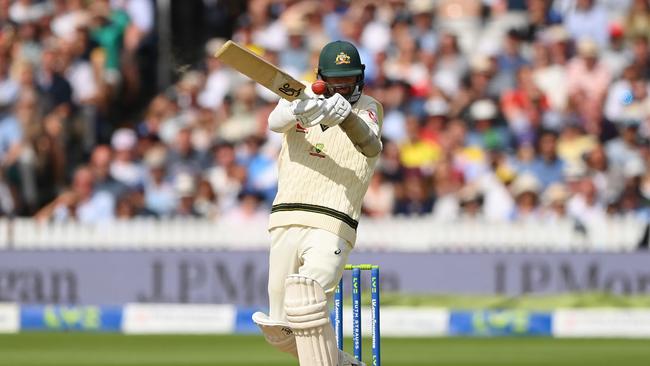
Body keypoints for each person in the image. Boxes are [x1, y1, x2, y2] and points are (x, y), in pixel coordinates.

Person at [252, 40, 383, 366]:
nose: (343, 88)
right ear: (321, 77)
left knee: (305, 299)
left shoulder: (368, 106)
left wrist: (347, 119)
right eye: (336, 82)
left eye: (349, 81)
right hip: (285, 216)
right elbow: (274, 123)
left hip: (333, 220)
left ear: (360, 77)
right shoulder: (302, 96)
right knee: (279, 328)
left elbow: (370, 144)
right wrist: (297, 106)